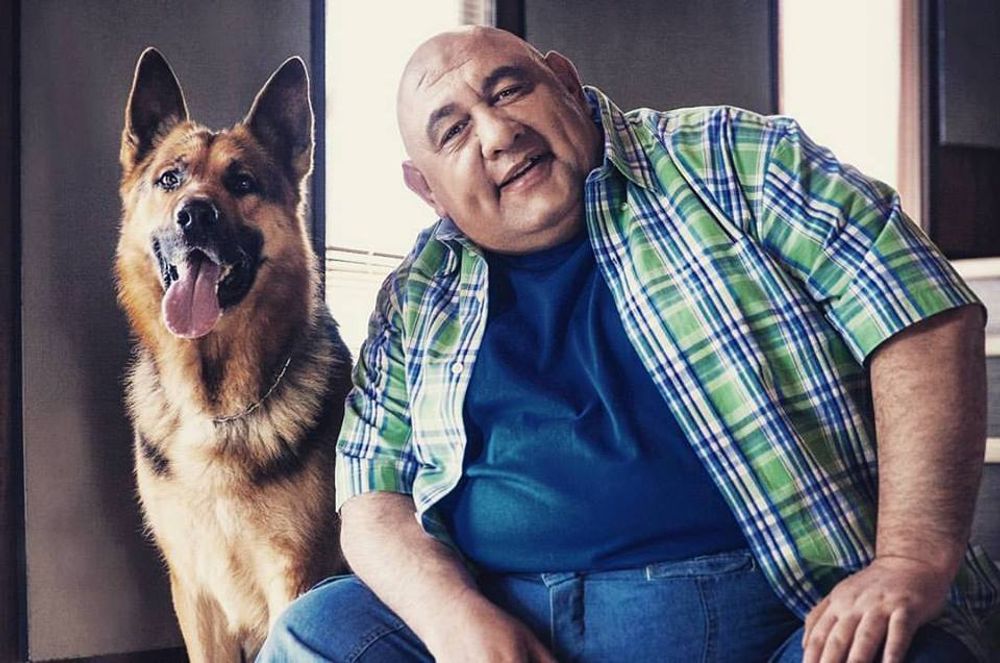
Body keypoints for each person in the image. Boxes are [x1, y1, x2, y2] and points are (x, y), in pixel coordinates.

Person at [258, 26, 1000, 662]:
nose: (498, 134)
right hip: (504, 625)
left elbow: (916, 307)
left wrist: (910, 557)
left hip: (783, 621)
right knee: (317, 632)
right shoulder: (416, 294)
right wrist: (455, 619)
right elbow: (372, 492)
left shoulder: (731, 157)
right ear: (428, 189)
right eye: (453, 132)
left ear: (565, 82)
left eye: (509, 90)